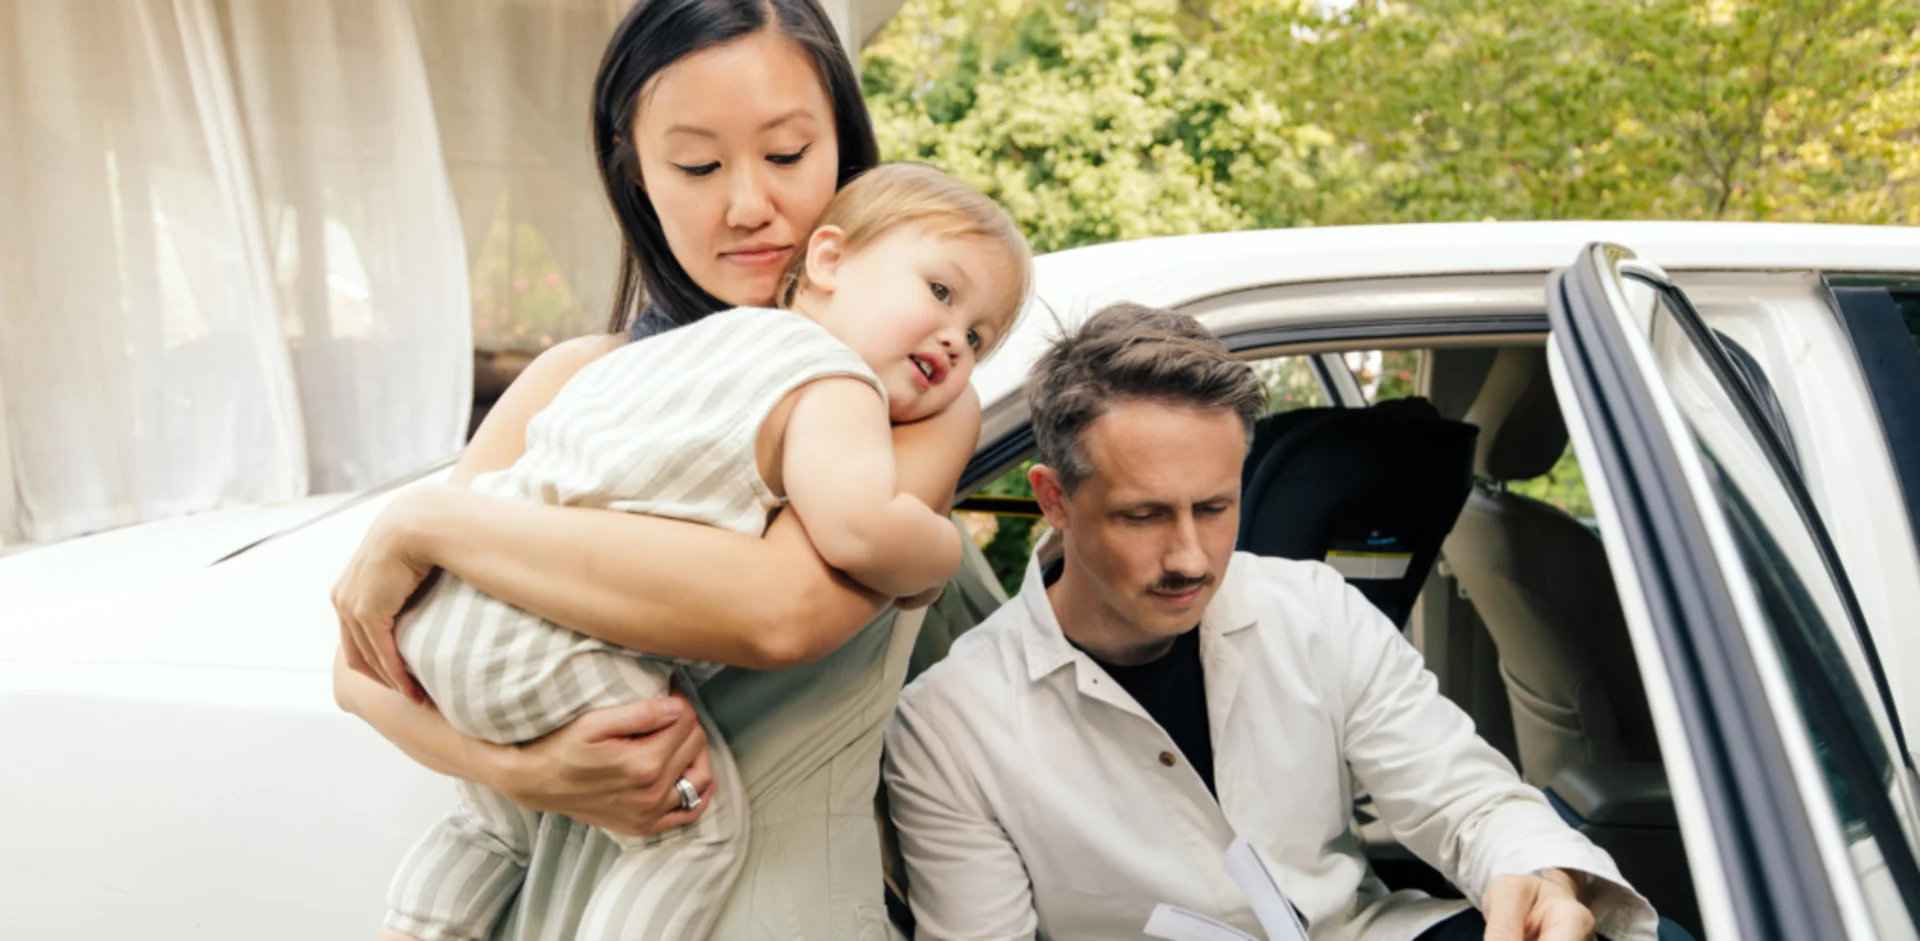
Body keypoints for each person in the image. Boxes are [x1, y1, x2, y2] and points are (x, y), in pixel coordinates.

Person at [331, 1, 991, 937]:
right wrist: (526, 773)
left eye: (789, 153)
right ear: (632, 167)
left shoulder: (909, 397)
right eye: (697, 164)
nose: (750, 203)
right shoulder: (575, 378)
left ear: (844, 144)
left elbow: (778, 610)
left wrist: (429, 524)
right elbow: (360, 669)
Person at [882, 303, 1662, 941]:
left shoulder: (1314, 609)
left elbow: (1468, 800)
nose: (1191, 556)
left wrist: (1544, 881)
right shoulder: (949, 726)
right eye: (1144, 514)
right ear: (1054, 497)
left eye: (1216, 507)